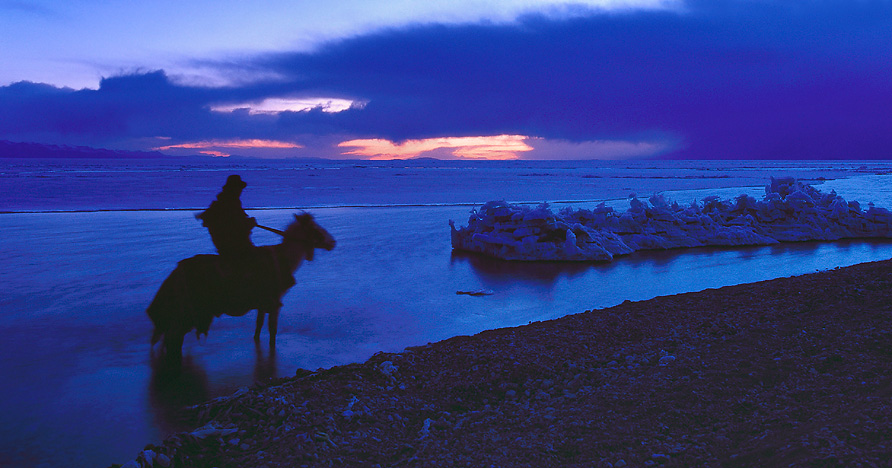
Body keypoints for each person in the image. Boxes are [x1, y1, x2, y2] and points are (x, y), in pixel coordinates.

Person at [196, 175, 257, 260]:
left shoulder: (228, 201)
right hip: (233, 247)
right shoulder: (228, 203)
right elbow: (234, 227)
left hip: (229, 245)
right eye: (238, 188)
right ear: (233, 188)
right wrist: (249, 224)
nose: (240, 191)